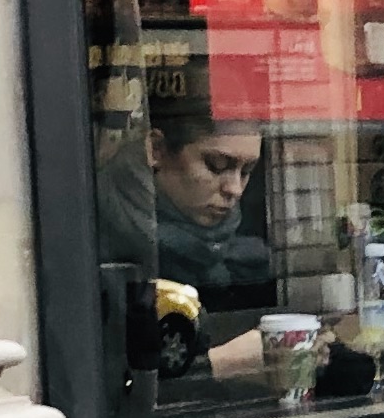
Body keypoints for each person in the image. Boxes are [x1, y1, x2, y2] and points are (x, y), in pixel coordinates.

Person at [96, 89, 279, 333]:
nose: (235, 189)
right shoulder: (97, 233)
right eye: (216, 165)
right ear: (157, 149)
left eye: (246, 171)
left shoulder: (244, 254)